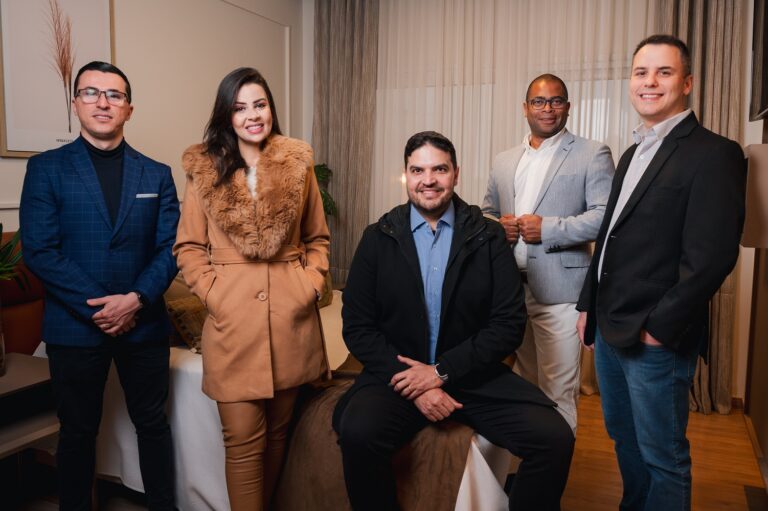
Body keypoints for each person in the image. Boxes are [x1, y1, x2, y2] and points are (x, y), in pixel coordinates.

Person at [334, 131, 574, 511]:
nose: (428, 180)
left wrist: (439, 373)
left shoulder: (488, 236)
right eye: (418, 170)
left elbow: (508, 324)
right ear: (406, 175)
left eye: (439, 169)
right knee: (358, 432)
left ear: (456, 174)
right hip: (397, 376)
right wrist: (418, 384)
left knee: (554, 438)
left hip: (472, 375)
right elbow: (358, 326)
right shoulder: (378, 237)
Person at [576, 35, 746, 510]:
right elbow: (609, 235)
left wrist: (658, 329)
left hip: (655, 337)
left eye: (664, 72)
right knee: (624, 441)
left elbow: (712, 257)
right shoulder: (632, 153)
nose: (649, 82)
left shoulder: (715, 153)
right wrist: (588, 305)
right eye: (640, 72)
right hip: (609, 328)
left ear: (687, 83)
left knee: (662, 457)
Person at [19, 61, 179, 510]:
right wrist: (103, 308)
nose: (103, 102)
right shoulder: (46, 169)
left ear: (129, 108)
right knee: (77, 433)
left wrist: (136, 299)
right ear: (76, 104)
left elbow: (171, 248)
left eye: (115, 95)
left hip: (144, 323)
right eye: (91, 92)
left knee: (153, 425)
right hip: (74, 326)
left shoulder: (157, 173)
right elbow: (40, 251)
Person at [173, 67, 330, 511]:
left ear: (271, 109)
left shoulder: (298, 164)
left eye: (259, 105)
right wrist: (215, 294)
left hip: (291, 320)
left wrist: (308, 283)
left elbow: (318, 238)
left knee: (279, 434)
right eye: (240, 108)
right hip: (233, 324)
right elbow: (188, 247)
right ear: (227, 115)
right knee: (242, 441)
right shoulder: (204, 169)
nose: (252, 115)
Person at [482, 74, 614, 432]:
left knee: (558, 392)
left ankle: (555, 467)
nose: (547, 108)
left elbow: (605, 218)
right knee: (525, 385)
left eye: (556, 101)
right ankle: (532, 460)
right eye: (539, 101)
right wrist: (498, 227)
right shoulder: (504, 160)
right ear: (525, 108)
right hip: (511, 291)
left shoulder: (592, 153)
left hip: (562, 293)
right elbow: (486, 212)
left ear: (568, 107)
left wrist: (549, 229)